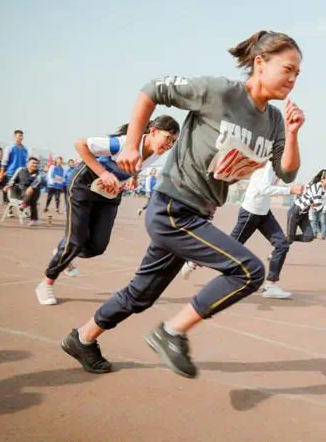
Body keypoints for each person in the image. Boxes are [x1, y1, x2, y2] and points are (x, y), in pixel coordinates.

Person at [62, 30, 305, 378]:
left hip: (198, 213)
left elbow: (286, 172)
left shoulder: (274, 121)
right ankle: (171, 332)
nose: (293, 79)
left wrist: (294, 134)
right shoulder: (220, 92)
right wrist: (132, 144)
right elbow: (152, 90)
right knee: (248, 270)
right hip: (173, 207)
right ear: (260, 63)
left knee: (141, 294)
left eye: (298, 73)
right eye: (288, 69)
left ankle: (82, 338)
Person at [36, 116, 180, 305]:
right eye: (168, 138)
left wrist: (132, 177)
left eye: (174, 141)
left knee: (97, 246)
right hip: (83, 186)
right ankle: (46, 283)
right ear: (152, 131)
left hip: (109, 193)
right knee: (75, 241)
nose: (170, 144)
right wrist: (103, 173)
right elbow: (80, 144)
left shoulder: (156, 152)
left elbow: (135, 165)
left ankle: (64, 253)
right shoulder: (122, 143)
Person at [181, 161, 304, 298]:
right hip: (250, 213)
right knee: (228, 248)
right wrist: (290, 190)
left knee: (282, 244)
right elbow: (263, 189)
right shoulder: (268, 164)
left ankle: (270, 285)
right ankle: (195, 262)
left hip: (264, 213)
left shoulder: (277, 168)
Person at [288, 168, 326, 243]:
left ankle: (288, 237)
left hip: (304, 214)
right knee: (289, 241)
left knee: (309, 236)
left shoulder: (323, 188)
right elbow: (318, 207)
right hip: (295, 211)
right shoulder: (318, 186)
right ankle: (287, 238)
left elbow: (315, 203)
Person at [4, 157, 43, 226]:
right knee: (15, 186)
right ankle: (30, 214)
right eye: (33, 163)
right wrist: (8, 185)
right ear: (27, 164)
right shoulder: (20, 169)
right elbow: (13, 179)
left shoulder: (38, 173)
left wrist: (31, 187)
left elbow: (38, 181)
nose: (35, 165)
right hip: (18, 193)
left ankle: (25, 205)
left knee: (34, 190)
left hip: (30, 194)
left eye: (36, 163)